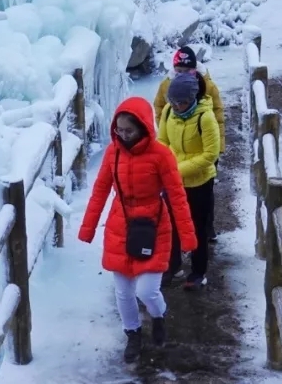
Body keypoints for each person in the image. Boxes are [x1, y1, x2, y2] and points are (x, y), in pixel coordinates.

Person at [78, 97, 197, 363]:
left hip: (153, 227)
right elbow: (100, 191)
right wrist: (88, 228)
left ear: (143, 127)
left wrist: (187, 236)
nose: (122, 135)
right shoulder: (113, 152)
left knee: (147, 290)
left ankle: (159, 315)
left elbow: (177, 197)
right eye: (118, 129)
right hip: (120, 225)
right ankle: (132, 333)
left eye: (128, 130)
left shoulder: (161, 155)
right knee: (122, 291)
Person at [153, 46, 226, 245]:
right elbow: (159, 105)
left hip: (204, 142)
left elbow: (217, 113)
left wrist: (218, 146)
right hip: (177, 142)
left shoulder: (207, 85)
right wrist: (166, 125)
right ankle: (181, 233)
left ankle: (206, 226)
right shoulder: (166, 85)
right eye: (179, 70)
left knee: (205, 191)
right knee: (177, 193)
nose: (183, 74)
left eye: (188, 70)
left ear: (195, 69)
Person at [157, 72, 220, 290]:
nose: (175, 106)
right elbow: (162, 141)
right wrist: (168, 166)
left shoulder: (205, 117)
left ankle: (198, 272)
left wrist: (177, 169)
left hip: (200, 182)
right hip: (174, 182)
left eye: (180, 102)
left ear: (192, 99)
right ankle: (173, 267)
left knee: (197, 228)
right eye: (172, 102)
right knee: (170, 225)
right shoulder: (167, 112)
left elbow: (211, 153)